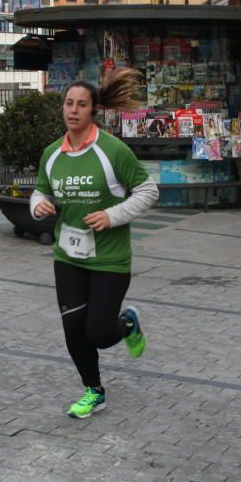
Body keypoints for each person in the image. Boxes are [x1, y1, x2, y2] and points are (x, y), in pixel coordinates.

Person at [30, 69, 160, 419]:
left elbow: (149, 191)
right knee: (74, 329)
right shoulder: (52, 154)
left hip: (109, 259)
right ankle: (94, 390)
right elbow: (41, 189)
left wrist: (112, 216)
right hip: (68, 256)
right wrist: (38, 204)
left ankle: (127, 325)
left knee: (99, 333)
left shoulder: (112, 150)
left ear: (93, 111)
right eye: (68, 103)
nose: (72, 110)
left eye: (81, 105)